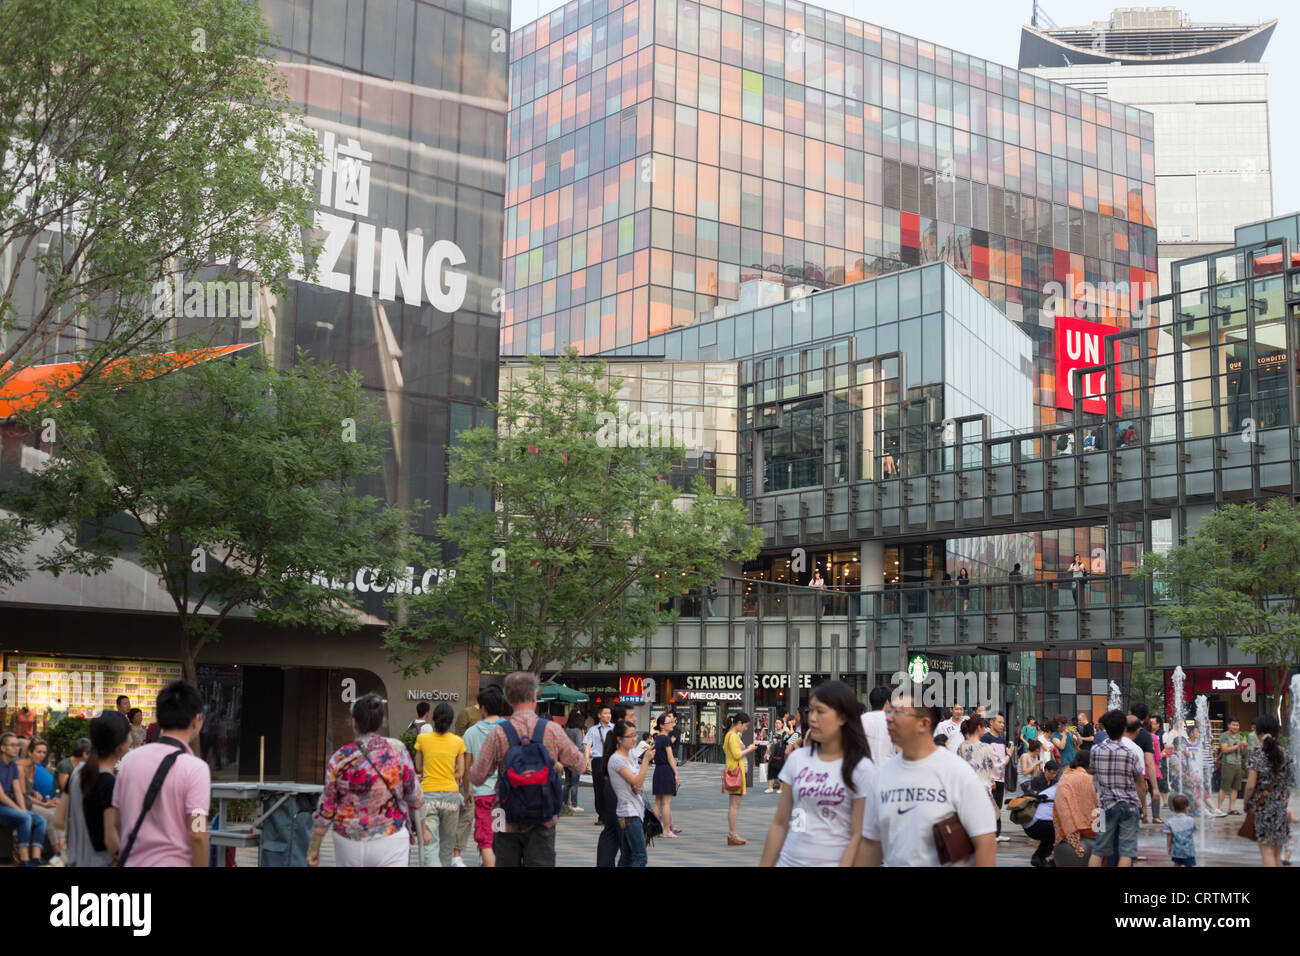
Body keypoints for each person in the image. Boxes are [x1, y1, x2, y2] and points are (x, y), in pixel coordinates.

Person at [858, 693, 997, 867]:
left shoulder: (958, 773)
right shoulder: (880, 776)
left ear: (923, 724)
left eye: (898, 713)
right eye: (889, 712)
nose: (889, 719)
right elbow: (870, 844)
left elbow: (985, 843)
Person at [467, 671, 587, 867]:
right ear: (534, 697)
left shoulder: (499, 732)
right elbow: (580, 765)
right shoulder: (551, 729)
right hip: (543, 817)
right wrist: (554, 764)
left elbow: (478, 777)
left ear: (508, 699)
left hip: (505, 815)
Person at [759, 681, 874, 867]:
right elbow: (780, 823)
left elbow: (858, 834)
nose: (812, 718)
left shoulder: (861, 768)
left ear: (842, 718)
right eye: (811, 711)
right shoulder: (797, 759)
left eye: (820, 712)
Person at [310, 692, 423, 867]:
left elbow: (327, 806)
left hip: (348, 839)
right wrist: (421, 825)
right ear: (382, 722)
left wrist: (314, 849)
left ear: (354, 722)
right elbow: (414, 796)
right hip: (390, 836)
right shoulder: (397, 752)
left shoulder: (340, 757)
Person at [109, 680, 212, 867]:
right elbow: (198, 831)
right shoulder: (196, 769)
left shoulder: (130, 761)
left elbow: (116, 820)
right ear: (195, 721)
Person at [54, 711, 130, 867]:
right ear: (121, 744)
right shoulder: (109, 782)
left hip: (75, 861)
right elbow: (111, 838)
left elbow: (58, 821)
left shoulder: (77, 773)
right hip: (100, 862)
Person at [412, 701, 467, 867]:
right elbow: (460, 773)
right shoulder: (458, 742)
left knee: (430, 842)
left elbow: (419, 767)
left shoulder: (422, 739)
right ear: (451, 721)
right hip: (450, 796)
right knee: (447, 845)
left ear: (434, 719)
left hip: (428, 796)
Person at [1088, 710, 1143, 868]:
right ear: (1124, 728)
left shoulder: (1095, 751)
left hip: (1105, 807)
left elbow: (1091, 770)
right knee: (1126, 852)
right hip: (1129, 806)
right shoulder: (1131, 753)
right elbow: (1139, 782)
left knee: (1098, 849)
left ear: (1106, 728)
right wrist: (1142, 807)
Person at [461, 685, 508, 866]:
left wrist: (466, 792)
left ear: (483, 708)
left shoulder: (471, 733)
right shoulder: (509, 729)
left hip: (481, 794)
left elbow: (467, 769)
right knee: (500, 837)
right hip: (504, 794)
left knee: (485, 841)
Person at [1243, 714, 1294, 867]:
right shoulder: (1286, 754)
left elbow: (1250, 786)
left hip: (1263, 810)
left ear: (1258, 732)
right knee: (1277, 855)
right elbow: (1289, 783)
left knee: (1267, 853)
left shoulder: (1257, 754)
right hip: (1280, 810)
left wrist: (1246, 803)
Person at [606, 719, 655, 867]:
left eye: (635, 735)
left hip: (635, 810)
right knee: (640, 857)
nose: (634, 739)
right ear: (619, 739)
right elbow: (637, 782)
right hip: (628, 813)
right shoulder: (617, 759)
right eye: (630, 736)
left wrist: (636, 784)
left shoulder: (629, 756)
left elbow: (635, 784)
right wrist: (646, 760)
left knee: (627, 857)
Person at [0, 731, 46, 865]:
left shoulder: (13, 765)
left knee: (40, 820)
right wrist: (20, 811)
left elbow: (18, 791)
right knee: (25, 817)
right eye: (12, 745)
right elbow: (1, 795)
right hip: (2, 805)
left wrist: (22, 808)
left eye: (18, 745)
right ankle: (24, 860)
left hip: (8, 805)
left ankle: (36, 859)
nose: (17, 748)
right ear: (3, 748)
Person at [1052, 751, 1098, 867]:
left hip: (1064, 829)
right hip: (1087, 829)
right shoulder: (1088, 779)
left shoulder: (1065, 776)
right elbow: (1097, 806)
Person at [723, 711, 760, 846]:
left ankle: (733, 834)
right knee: (734, 805)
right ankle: (732, 834)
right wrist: (750, 749)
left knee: (734, 804)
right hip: (735, 772)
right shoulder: (732, 736)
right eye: (745, 726)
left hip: (734, 771)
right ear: (739, 723)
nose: (745, 729)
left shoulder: (730, 735)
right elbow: (737, 754)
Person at [981, 712, 1013, 841]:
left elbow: (1002, 761)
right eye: (999, 722)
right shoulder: (986, 738)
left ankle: (997, 833)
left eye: (1003, 722)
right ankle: (990, 833)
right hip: (990, 778)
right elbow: (985, 760)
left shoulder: (1002, 740)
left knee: (998, 806)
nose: (1002, 725)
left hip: (1001, 777)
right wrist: (990, 778)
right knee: (990, 806)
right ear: (991, 722)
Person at [955, 715, 997, 804]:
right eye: (984, 727)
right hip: (983, 791)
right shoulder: (986, 747)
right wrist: (1008, 755)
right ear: (979, 728)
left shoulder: (961, 747)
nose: (985, 730)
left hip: (966, 791)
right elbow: (996, 769)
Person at [583, 704, 613, 827]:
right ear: (599, 715)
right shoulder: (593, 730)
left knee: (610, 788)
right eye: (605, 713)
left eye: (609, 713)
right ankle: (601, 815)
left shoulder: (615, 728)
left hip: (612, 761)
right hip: (597, 761)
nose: (608, 715)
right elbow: (587, 745)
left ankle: (610, 815)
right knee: (598, 788)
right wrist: (586, 760)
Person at [651, 712, 680, 836]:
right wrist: (676, 773)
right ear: (662, 725)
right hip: (666, 770)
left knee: (658, 802)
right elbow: (670, 757)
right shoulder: (666, 738)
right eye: (669, 722)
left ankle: (653, 830)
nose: (672, 724)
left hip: (658, 770)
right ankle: (666, 830)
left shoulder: (657, 738)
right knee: (666, 803)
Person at [1022, 779, 1058, 867]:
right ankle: (1057, 861)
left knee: (1052, 835)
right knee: (1065, 833)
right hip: (1039, 824)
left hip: (1029, 824)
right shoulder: (1064, 789)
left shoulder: (1055, 787)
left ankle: (1038, 857)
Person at [860, 685, 897, 766]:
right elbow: (899, 750)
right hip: (888, 769)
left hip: (866, 770)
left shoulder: (860, 720)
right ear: (887, 702)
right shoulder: (893, 721)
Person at [1217, 717, 1247, 815]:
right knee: (1224, 787)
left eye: (1237, 725)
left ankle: (1231, 808)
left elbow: (1243, 753)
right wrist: (1238, 746)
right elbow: (1224, 750)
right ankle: (1219, 808)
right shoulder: (1224, 736)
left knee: (1235, 788)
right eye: (1233, 725)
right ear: (1229, 725)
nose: (1235, 727)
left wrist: (1244, 746)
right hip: (1227, 764)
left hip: (1237, 764)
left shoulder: (1240, 736)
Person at [561, 707, 584, 813]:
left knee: (567, 782)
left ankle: (564, 803)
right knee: (575, 783)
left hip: (566, 758)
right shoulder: (577, 731)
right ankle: (574, 804)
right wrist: (587, 749)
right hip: (575, 759)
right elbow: (579, 745)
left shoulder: (567, 729)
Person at [1164, 794, 1196, 866]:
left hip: (1176, 850)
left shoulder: (1170, 822)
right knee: (1189, 865)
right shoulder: (1191, 820)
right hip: (1188, 850)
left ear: (1174, 808)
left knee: (1177, 863)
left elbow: (1169, 836)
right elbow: (1193, 830)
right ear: (1186, 808)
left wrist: (1168, 847)